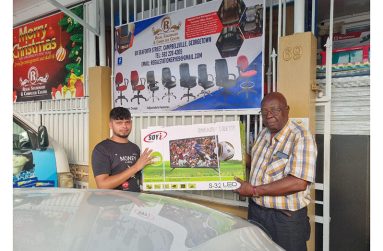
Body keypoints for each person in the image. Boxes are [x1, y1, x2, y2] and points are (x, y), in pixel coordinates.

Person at [234, 92, 317, 251]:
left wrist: (252, 190)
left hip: (285, 219)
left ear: (287, 110)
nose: (269, 115)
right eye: (264, 111)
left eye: (275, 110)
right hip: (256, 212)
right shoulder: (262, 135)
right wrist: (238, 157)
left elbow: (299, 182)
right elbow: (259, 165)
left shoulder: (301, 137)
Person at [91, 107, 153, 192]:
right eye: (119, 123)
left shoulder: (135, 148)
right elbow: (103, 185)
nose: (124, 126)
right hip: (114, 204)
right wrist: (136, 167)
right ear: (110, 125)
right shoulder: (102, 149)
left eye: (127, 122)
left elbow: (137, 179)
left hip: (135, 201)